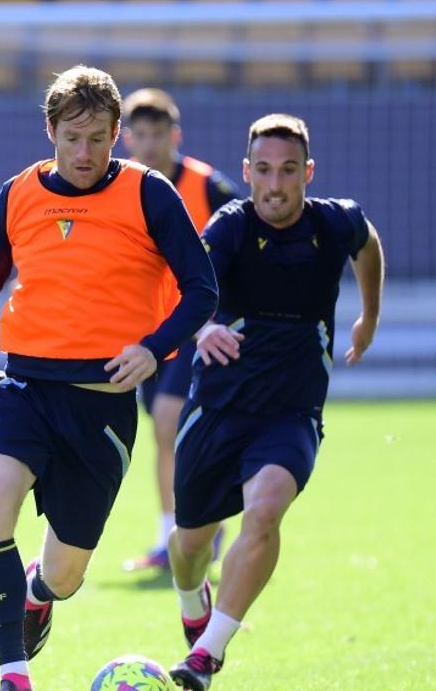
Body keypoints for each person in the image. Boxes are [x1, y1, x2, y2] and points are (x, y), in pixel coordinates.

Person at [0, 66, 217, 691]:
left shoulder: (150, 195)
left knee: (65, 576)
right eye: (72, 137)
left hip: (101, 410)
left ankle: (40, 589)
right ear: (50, 131)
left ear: (118, 134)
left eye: (98, 138)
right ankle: (13, 672)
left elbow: (202, 289)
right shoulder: (18, 192)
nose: (84, 152)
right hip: (23, 391)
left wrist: (154, 349)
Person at [165, 114, 385, 690]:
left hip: (291, 411)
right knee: (188, 547)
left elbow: (368, 244)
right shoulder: (230, 226)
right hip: (218, 410)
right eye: (263, 170)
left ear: (307, 173)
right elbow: (188, 289)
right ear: (246, 171)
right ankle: (192, 598)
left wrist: (369, 315)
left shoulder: (335, 222)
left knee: (264, 511)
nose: (275, 185)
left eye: (288, 171)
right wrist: (203, 328)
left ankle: (205, 656)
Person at [119, 87, 240, 574]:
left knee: (170, 420)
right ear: (126, 138)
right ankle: (177, 533)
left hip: (201, 323)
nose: (149, 145)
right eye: (140, 135)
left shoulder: (210, 187)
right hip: (149, 325)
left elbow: (243, 241)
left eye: (158, 134)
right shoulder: (122, 186)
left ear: (176, 135)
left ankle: (186, 532)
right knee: (164, 432)